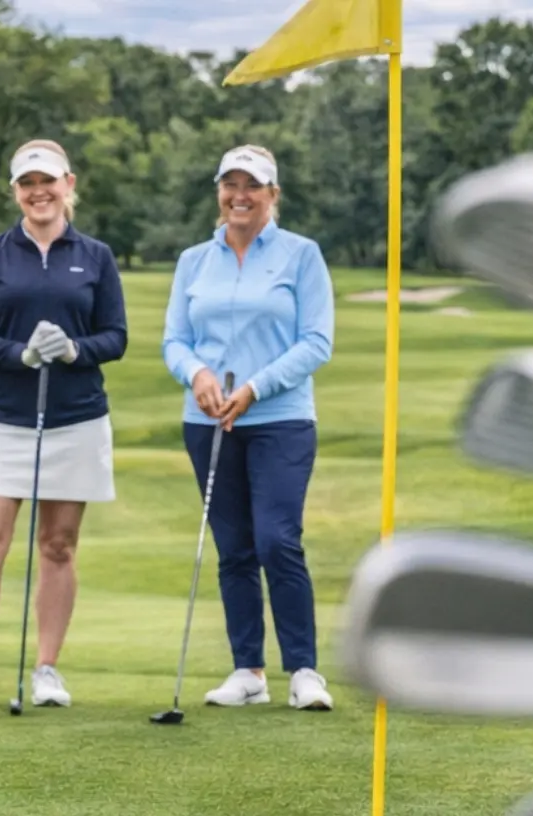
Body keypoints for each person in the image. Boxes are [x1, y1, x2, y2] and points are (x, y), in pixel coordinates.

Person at [0, 140, 127, 711]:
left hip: (76, 416)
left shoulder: (95, 256)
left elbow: (115, 336)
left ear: (68, 184)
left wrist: (74, 351)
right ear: (15, 191)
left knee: (58, 545)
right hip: (1, 415)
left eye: (48, 181)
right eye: (27, 183)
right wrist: (19, 355)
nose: (39, 192)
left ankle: (47, 669)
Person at [160, 144, 336, 713]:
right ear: (219, 191)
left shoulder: (301, 255)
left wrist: (255, 387)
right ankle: (248, 671)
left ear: (272, 194)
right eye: (230, 184)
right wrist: (197, 374)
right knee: (234, 548)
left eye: (252, 186)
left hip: (280, 419)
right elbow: (175, 341)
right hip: (208, 420)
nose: (239, 195)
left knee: (277, 540)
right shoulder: (194, 261)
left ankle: (304, 669)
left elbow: (316, 342)